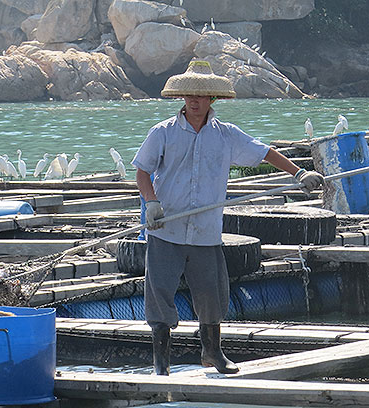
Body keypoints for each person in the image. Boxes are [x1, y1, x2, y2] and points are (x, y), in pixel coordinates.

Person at [131, 60, 323, 376]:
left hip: (206, 231)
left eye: (201, 96)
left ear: (212, 100)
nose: (194, 101)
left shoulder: (226, 135)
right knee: (160, 293)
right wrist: (151, 203)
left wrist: (299, 172)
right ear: (182, 98)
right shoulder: (162, 133)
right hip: (166, 227)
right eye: (189, 96)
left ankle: (212, 353)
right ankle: (161, 363)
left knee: (212, 293)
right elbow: (142, 172)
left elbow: (265, 152)